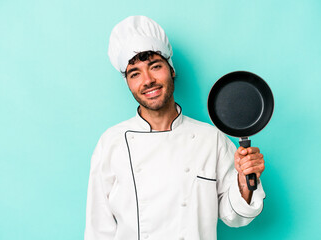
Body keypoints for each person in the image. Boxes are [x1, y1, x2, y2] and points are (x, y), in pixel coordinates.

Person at [84, 15, 266, 240]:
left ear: (171, 69)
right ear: (129, 83)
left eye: (155, 66)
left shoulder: (211, 139)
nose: (148, 80)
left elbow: (235, 215)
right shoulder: (111, 143)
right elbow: (98, 230)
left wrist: (243, 180)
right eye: (135, 74)